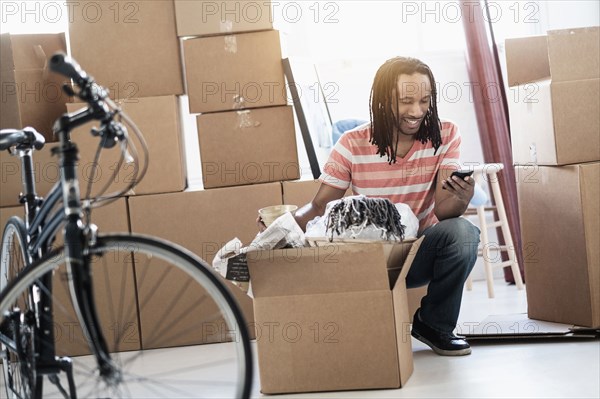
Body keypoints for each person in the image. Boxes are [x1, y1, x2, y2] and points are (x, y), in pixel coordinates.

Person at [292, 56, 480, 356]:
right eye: (406, 101)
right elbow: (318, 207)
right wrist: (281, 228)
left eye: (424, 100)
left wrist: (461, 196)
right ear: (382, 100)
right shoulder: (352, 143)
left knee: (464, 233)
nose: (417, 111)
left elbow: (445, 213)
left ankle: (434, 324)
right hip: (372, 261)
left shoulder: (444, 134)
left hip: (420, 253)